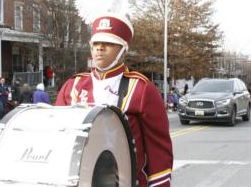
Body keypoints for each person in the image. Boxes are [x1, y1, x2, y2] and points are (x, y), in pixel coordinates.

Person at [55, 13, 173, 187]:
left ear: (123, 50)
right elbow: (58, 139)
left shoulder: (141, 88)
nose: (99, 48)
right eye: (96, 43)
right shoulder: (73, 86)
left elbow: (159, 151)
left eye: (108, 43)